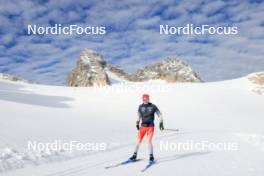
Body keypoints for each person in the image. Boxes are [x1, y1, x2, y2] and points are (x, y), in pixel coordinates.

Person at [129, 94, 164, 162]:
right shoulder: (140, 107)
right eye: (144, 99)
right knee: (138, 141)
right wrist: (137, 123)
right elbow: (139, 115)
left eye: (146, 99)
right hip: (143, 127)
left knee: (149, 141)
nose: (145, 101)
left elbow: (159, 114)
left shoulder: (153, 106)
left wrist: (161, 122)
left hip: (150, 127)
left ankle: (151, 156)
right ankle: (134, 155)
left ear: (149, 99)